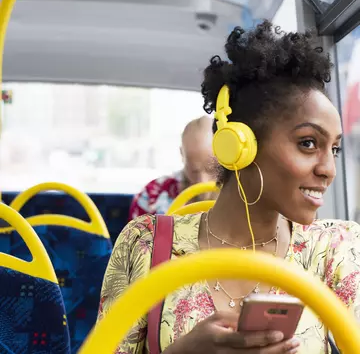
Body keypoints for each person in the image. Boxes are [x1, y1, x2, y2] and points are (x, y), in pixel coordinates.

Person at [98, 21, 360, 354]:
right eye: (308, 143)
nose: (329, 170)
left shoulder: (336, 249)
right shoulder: (145, 244)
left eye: (334, 149)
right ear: (241, 146)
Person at [128, 115, 216, 219]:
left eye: (212, 170)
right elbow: (133, 234)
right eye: (194, 171)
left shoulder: (237, 194)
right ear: (182, 155)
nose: (202, 181)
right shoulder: (152, 196)